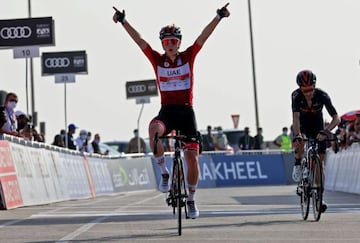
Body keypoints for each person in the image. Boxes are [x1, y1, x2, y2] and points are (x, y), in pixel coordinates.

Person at [112, 3, 230, 219]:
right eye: (166, 42)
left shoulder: (188, 56)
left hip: (186, 113)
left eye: (174, 41)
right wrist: (124, 21)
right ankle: (164, 173)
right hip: (167, 111)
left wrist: (218, 17)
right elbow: (140, 41)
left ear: (179, 43)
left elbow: (204, 36)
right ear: (163, 44)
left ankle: (192, 200)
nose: (170, 45)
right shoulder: (157, 59)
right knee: (154, 129)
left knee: (192, 158)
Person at [291, 69, 340, 213]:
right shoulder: (295, 96)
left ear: (315, 85)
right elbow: (296, 118)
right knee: (299, 140)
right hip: (303, 125)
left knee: (320, 164)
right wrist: (298, 134)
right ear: (300, 88)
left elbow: (336, 118)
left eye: (310, 90)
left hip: (318, 126)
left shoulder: (322, 95)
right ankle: (298, 163)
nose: (308, 93)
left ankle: (319, 196)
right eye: (304, 91)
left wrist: (326, 131)